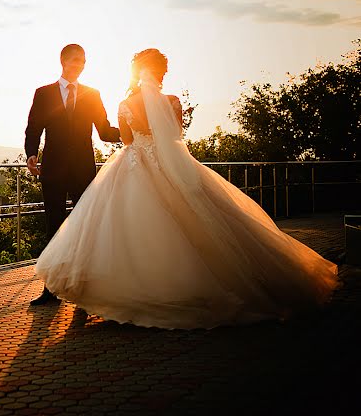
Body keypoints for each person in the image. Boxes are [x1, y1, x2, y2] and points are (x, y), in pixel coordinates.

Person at [34, 48, 339, 329]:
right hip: (160, 164)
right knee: (194, 219)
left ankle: (100, 295)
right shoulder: (172, 102)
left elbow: (122, 139)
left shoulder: (122, 103)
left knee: (110, 228)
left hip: (131, 164)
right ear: (159, 73)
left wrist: (137, 134)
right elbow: (174, 137)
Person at [24, 43, 121, 305]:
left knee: (85, 229)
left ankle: (83, 290)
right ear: (63, 61)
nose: (80, 65)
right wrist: (31, 153)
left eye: (84, 61)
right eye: (76, 60)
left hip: (83, 171)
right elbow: (33, 129)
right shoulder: (43, 94)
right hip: (53, 171)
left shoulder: (93, 93)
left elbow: (103, 130)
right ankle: (50, 289)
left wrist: (132, 131)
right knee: (53, 228)